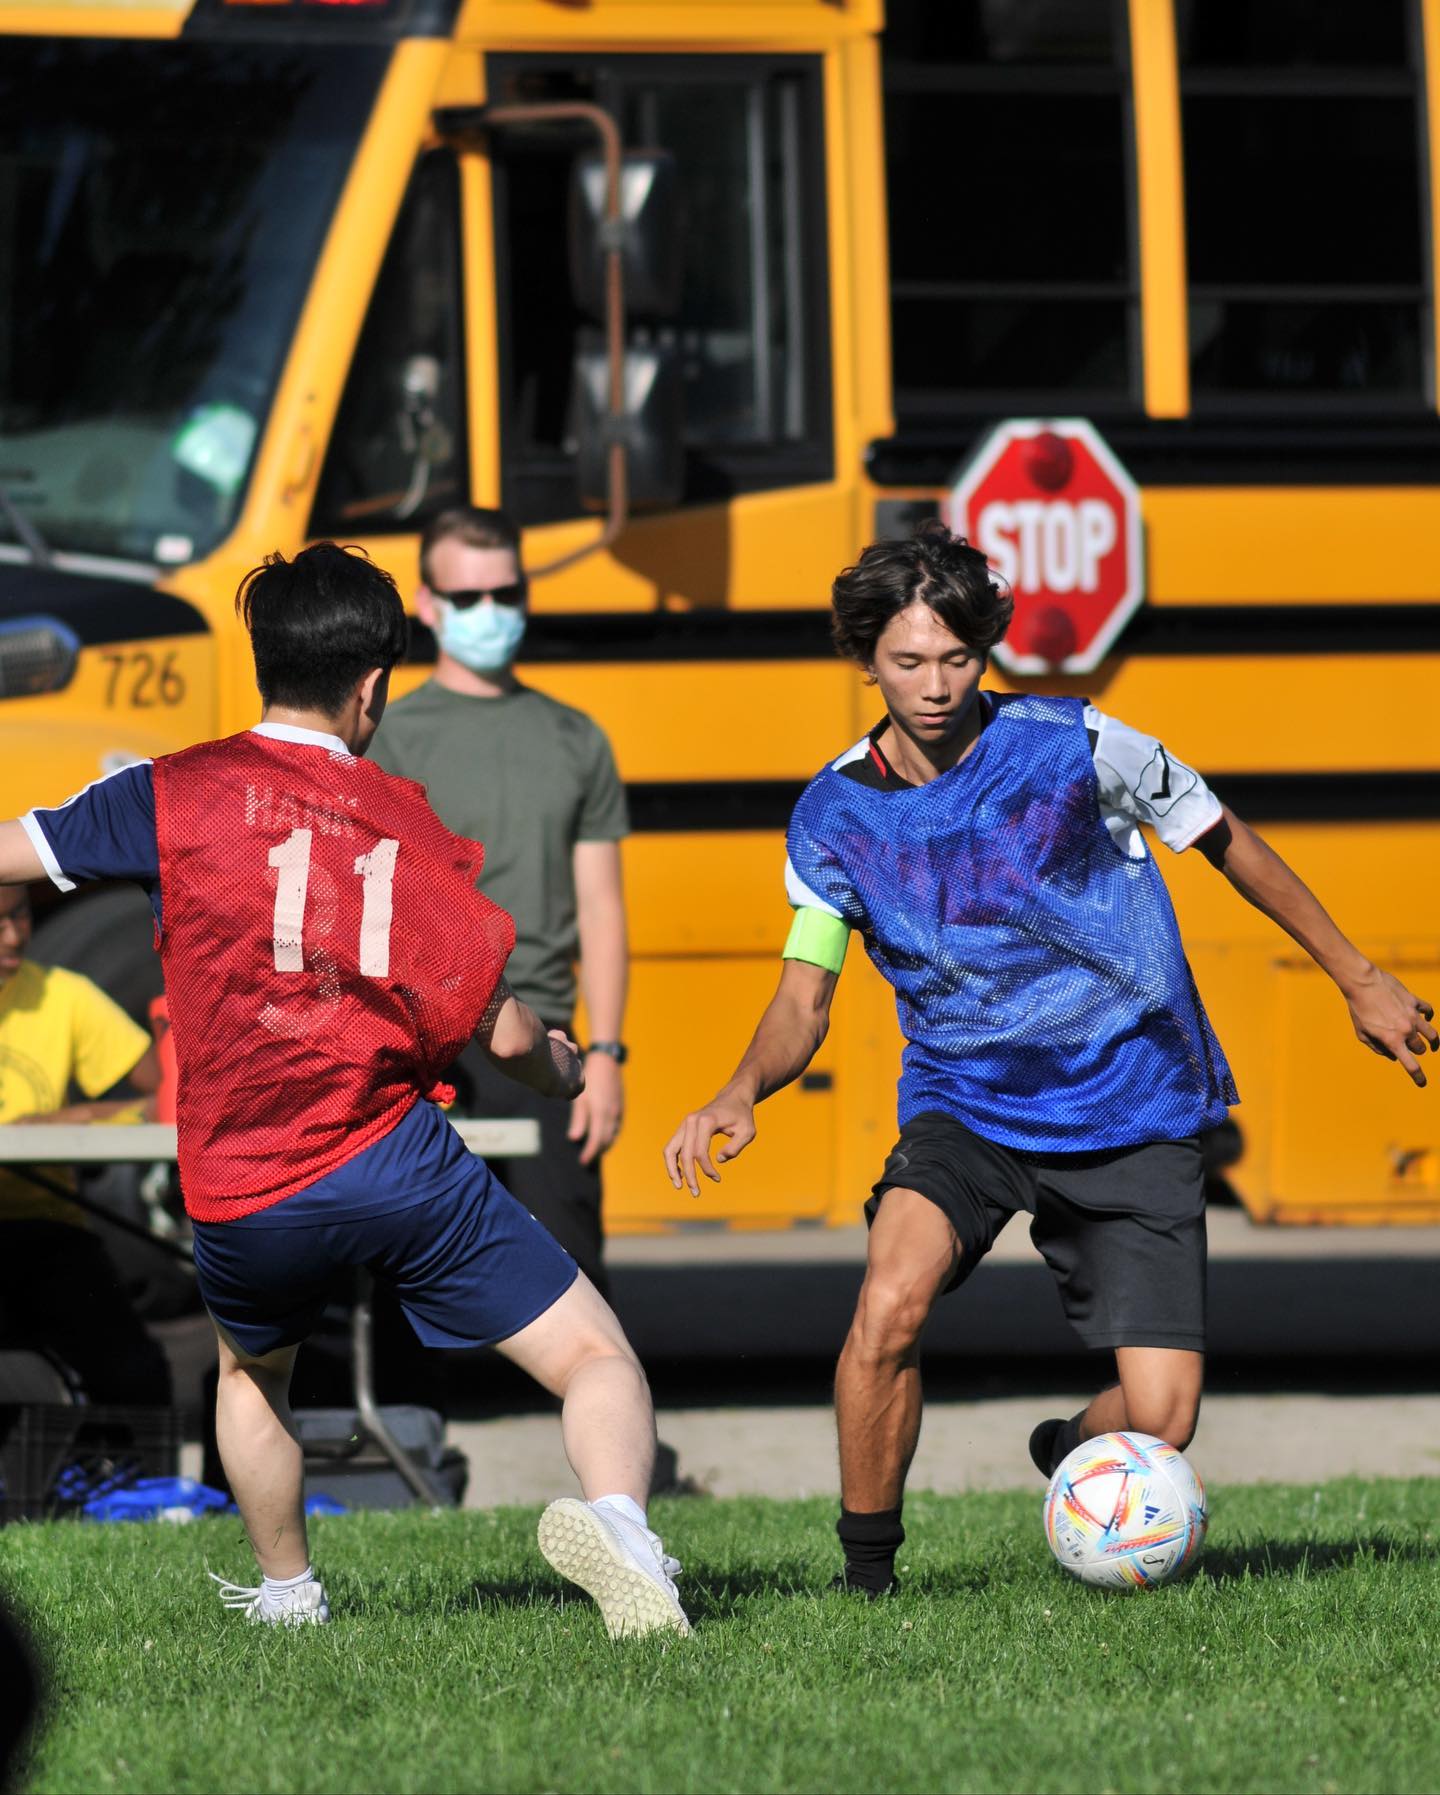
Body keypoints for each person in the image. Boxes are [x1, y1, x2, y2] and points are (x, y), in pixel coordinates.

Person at [664, 521, 1436, 1599]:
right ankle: (867, 1584)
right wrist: (741, 1087)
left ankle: (1078, 1442)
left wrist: (1358, 976)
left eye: (958, 659)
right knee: (889, 1301)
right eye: (907, 661)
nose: (935, 685)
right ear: (864, 660)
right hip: (966, 1107)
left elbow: (1230, 840)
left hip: (1135, 1095)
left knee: (1160, 1420)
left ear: (987, 651)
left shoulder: (1080, 746)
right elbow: (806, 990)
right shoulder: (833, 816)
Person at [1, 542, 687, 1639]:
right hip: (392, 1161)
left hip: (239, 1182)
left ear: (264, 658)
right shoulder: (407, 825)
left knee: (250, 1374)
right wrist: (565, 1062)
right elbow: (495, 1023)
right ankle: (622, 1527)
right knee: (596, 1356)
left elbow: (14, 850)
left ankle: (287, 1593)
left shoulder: (168, 791)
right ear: (372, 687)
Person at [369, 507, 627, 1293]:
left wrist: (609, 1054)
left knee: (572, 1277)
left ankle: (589, 1416)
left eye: (504, 592)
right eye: (468, 596)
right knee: (409, 1272)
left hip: (546, 1034)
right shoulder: (387, 735)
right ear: (427, 602)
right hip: (419, 1042)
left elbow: (603, 905)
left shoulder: (576, 737)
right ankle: (409, 1413)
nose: (490, 612)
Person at [0, 883, 170, 1404]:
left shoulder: (63, 995)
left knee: (137, 1374)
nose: (13, 936)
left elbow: (167, 1095)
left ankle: (127, 1483)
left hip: (45, 1222)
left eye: (22, 916)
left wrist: (72, 1117)